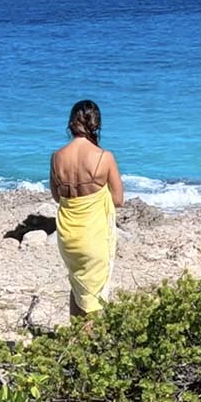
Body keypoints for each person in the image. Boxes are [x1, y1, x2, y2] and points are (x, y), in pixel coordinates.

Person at [50, 99, 124, 318]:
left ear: (71, 123)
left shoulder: (56, 158)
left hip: (68, 236)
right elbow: (118, 199)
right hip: (93, 235)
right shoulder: (104, 157)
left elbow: (57, 196)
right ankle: (88, 346)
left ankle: (73, 338)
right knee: (94, 294)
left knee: (77, 284)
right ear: (96, 124)